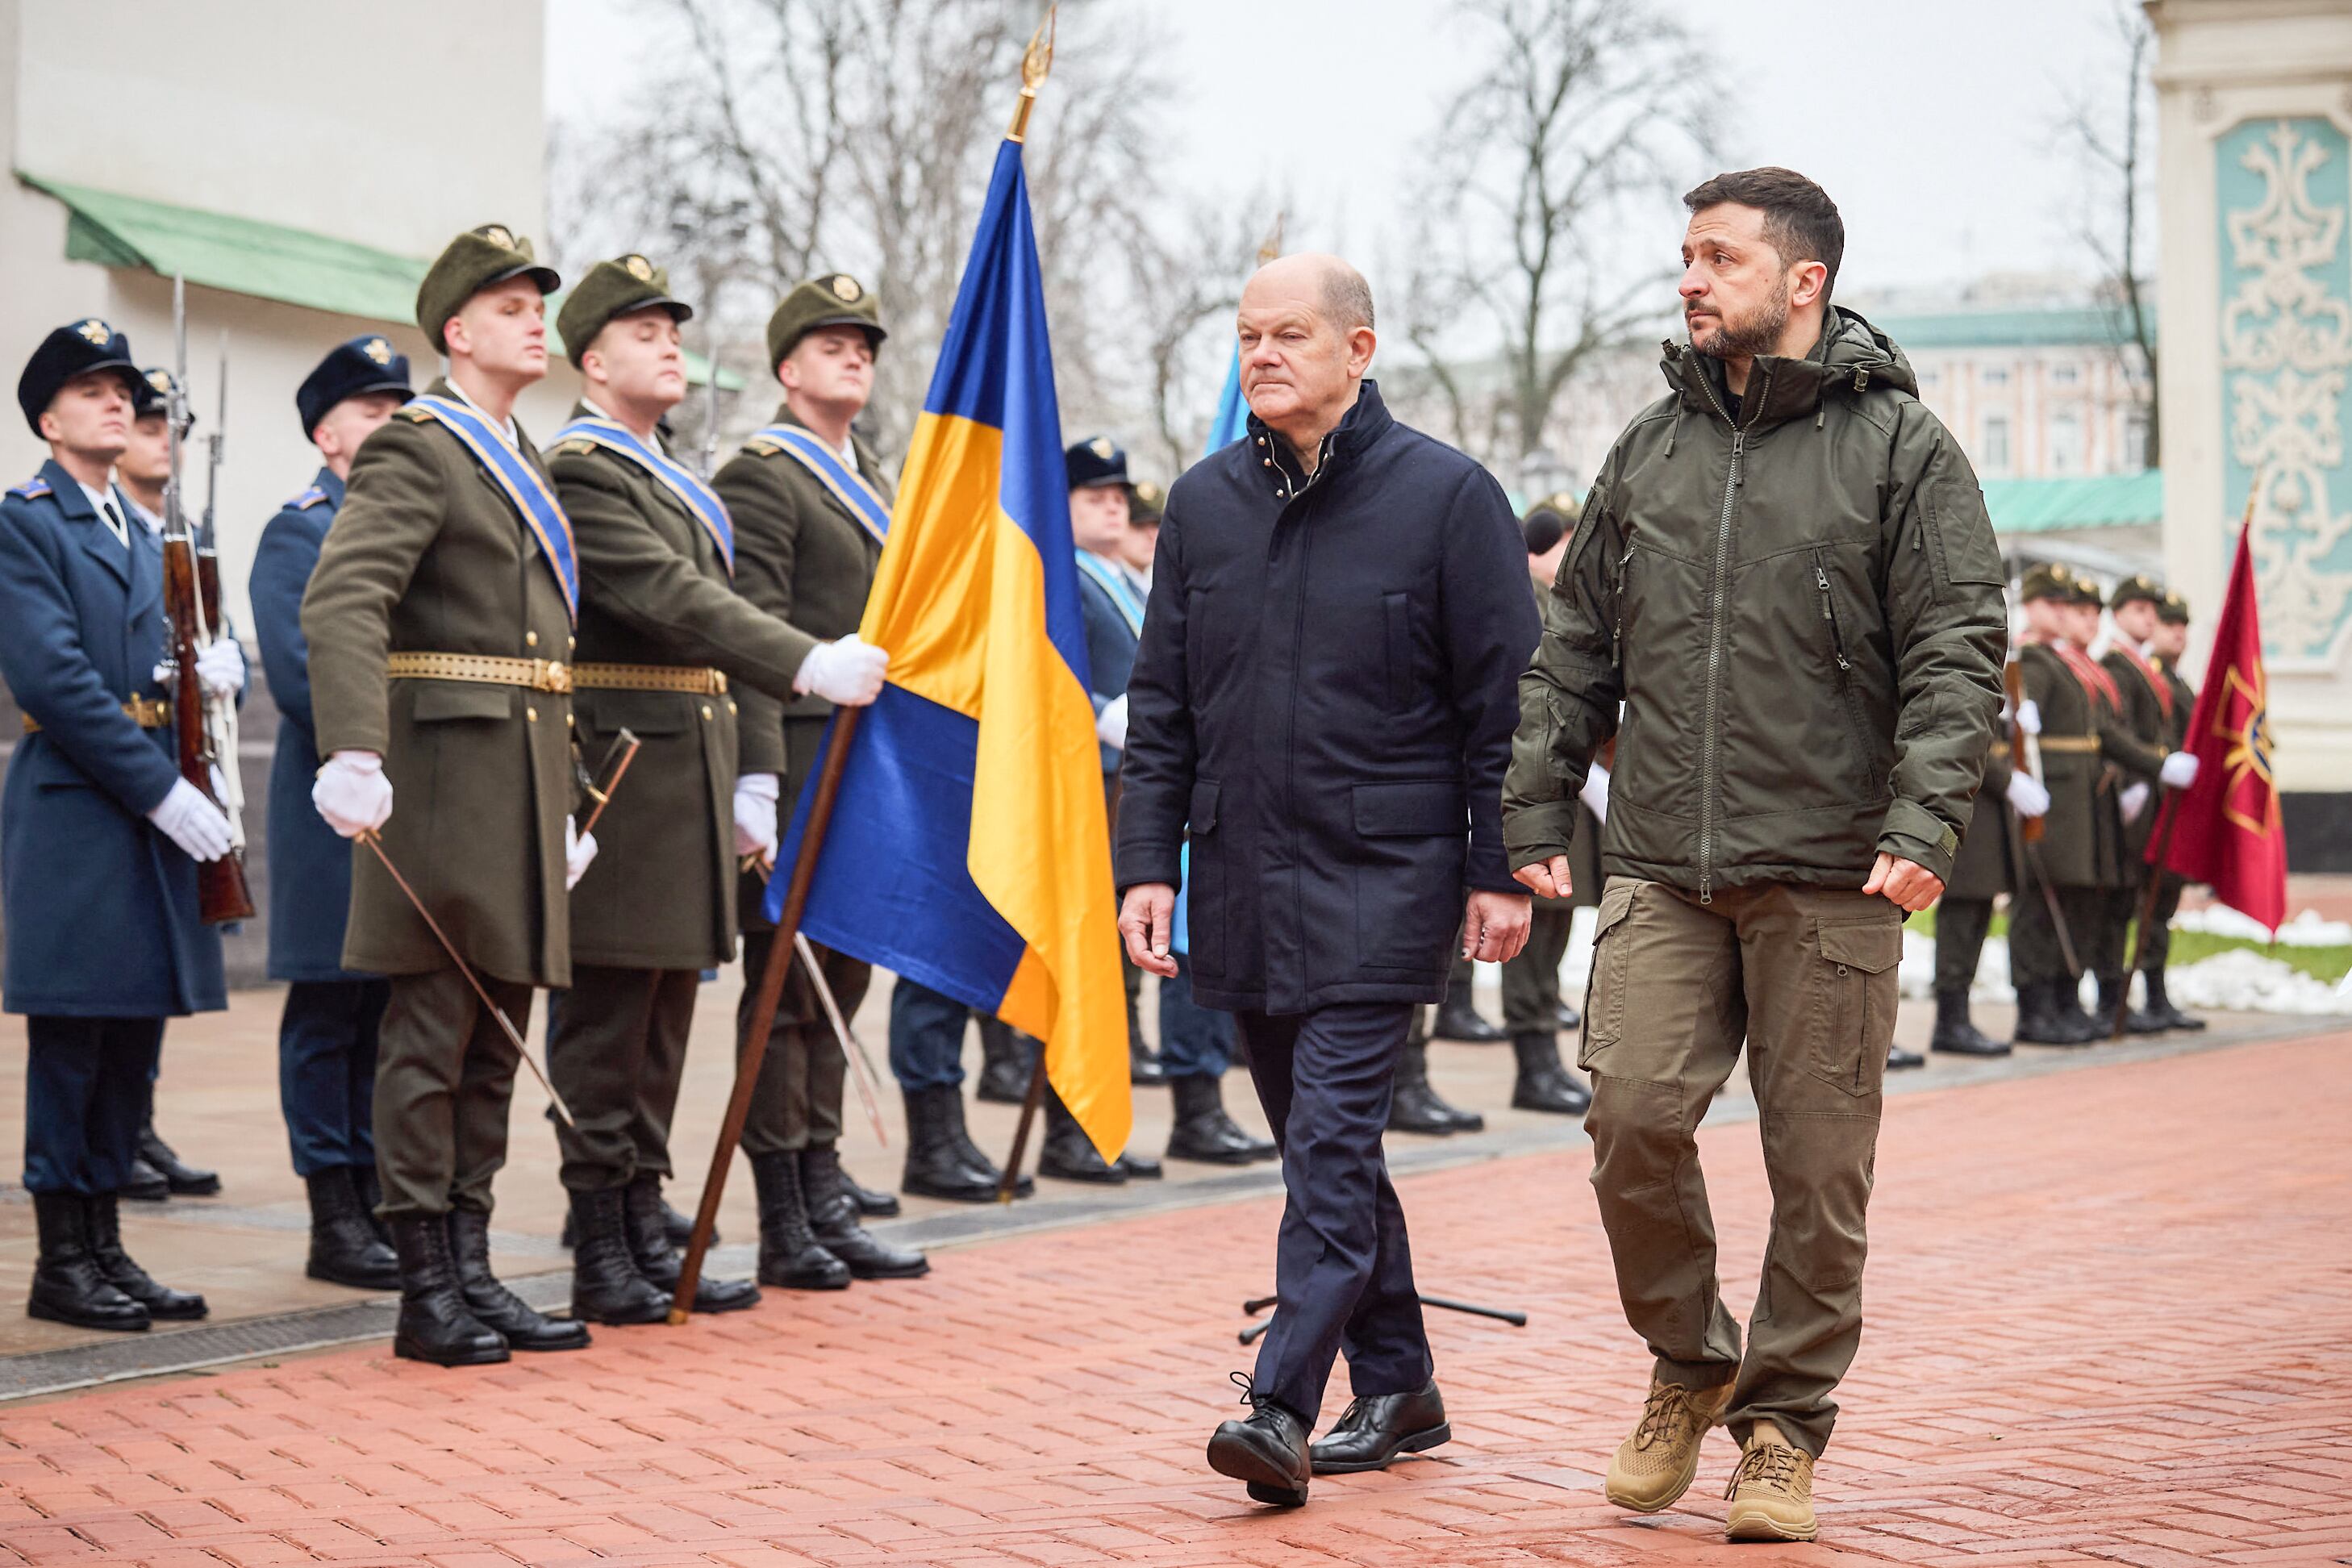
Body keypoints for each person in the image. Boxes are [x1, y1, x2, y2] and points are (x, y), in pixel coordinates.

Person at [1504, 169, 2007, 1543]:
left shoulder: (1902, 449)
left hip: (1836, 871)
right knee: (1631, 1118)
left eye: (1717, 256)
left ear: (1803, 281)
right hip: (1665, 858)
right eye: (1684, 254)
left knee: (1818, 1164)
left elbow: (1960, 651)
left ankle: (1782, 1424)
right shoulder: (1650, 450)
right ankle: (1687, 1354)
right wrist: (1535, 809)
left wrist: (1922, 821)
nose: (1689, 278)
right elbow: (1576, 650)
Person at [1118, 252, 1540, 1508]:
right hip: (1242, 875)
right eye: (1248, 335)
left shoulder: (1449, 498)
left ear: (1360, 348)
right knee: (1328, 1153)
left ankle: (1281, 1403)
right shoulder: (1201, 505)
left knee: (1331, 1137)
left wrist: (1501, 868)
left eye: (1290, 333)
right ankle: (1402, 1382)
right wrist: (1149, 865)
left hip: (1385, 873)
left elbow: (1504, 705)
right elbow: (1164, 708)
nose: (1262, 355)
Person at [548, 255, 891, 1316]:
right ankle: (604, 1233)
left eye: (674, 332)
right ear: (593, 357)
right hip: (636, 765)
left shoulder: (672, 477)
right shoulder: (587, 466)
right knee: (618, 1016)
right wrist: (776, 731)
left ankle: (644, 1215)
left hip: (702, 759)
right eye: (645, 332)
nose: (671, 347)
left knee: (661, 1017)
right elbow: (681, 599)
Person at [301, 223, 594, 1366]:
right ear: (458, 332)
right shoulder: (421, 448)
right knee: (429, 1034)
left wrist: (564, 796)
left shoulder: (521, 457)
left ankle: (471, 1267)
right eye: (511, 305)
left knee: (492, 1038)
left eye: (539, 304)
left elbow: (544, 658)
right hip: (437, 780)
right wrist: (353, 751)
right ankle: (427, 1286)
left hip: (516, 784)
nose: (535, 320)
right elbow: (345, 601)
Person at [1, 317, 236, 1331]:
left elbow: (153, 665)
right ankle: (63, 1260)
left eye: (123, 390)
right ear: (48, 418)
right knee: (74, 1043)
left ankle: (106, 1246)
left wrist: (204, 674)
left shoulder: (139, 530)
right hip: (81, 809)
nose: (119, 403)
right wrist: (161, 787)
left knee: (130, 1041)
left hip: (140, 811)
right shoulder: (28, 522)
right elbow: (54, 679)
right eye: (93, 389)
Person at [715, 274, 941, 1256]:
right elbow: (752, 635)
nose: (855, 356)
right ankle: (783, 1214)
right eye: (832, 344)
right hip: (804, 760)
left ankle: (824, 1188)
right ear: (787, 368)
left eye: (865, 346)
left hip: (869, 775)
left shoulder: (875, 484)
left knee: (841, 984)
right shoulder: (763, 474)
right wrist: (756, 773)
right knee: (788, 988)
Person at [249, 336, 415, 1290]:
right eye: (373, 410)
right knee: (327, 1010)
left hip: (408, 804)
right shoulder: (299, 531)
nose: (393, 424)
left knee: (386, 1013)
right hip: (330, 807)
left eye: (402, 408)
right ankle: (333, 1213)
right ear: (326, 434)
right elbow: (308, 676)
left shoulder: (410, 526)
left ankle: (378, 1198)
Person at [106, 365, 231, 1200]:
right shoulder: (97, 526)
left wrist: (230, 671)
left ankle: (136, 1123)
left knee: (153, 967)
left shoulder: (186, 530)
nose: (165, 441)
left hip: (186, 759)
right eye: (151, 426)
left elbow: (220, 643)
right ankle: (117, 1138)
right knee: (111, 973)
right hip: (127, 765)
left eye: (172, 430)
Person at [2008, 565, 2190, 1044]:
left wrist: (2154, 765)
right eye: (2060, 606)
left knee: (2077, 904)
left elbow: (2102, 730)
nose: (2072, 617)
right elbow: (2021, 734)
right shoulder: (2031, 659)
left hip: (2083, 796)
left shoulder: (2065, 664)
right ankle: (2036, 1008)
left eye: (2080, 610)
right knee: (2043, 906)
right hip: (2056, 798)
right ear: (2030, 604)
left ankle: (2063, 1002)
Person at [1047, 435, 1163, 1184]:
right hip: (1079, 784)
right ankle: (1066, 1127)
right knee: (1078, 963)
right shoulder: (1061, 579)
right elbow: (1045, 665)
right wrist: (1096, 712)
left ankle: (1096, 1119)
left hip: (1125, 788)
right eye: (1095, 496)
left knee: (1115, 965)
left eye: (1119, 496)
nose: (1114, 505)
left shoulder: (1120, 580)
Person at [1497, 493, 1596, 1115]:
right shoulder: (1517, 599)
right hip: (1526, 782)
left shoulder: (1571, 605)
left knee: (1557, 915)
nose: (1568, 551)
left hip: (1573, 784)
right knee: (1528, 924)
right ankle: (1532, 1065)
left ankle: (1542, 1061)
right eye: (1558, 538)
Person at [2098, 574, 2190, 1033]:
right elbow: (2116, 732)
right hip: (2133, 796)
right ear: (2117, 614)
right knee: (2125, 900)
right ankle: (2114, 999)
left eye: (2151, 611)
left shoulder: (2146, 669)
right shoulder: (2115, 666)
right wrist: (2147, 772)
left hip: (2155, 796)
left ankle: (2151, 994)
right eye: (2138, 609)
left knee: (2156, 897)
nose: (2149, 617)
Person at [2138, 592, 2204, 1030]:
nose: (2178, 632)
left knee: (2163, 908)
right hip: (2151, 806)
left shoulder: (2179, 683)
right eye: (2168, 623)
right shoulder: (2151, 677)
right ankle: (2148, 995)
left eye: (2183, 625)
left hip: (2177, 805)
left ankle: (2158, 994)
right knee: (2148, 906)